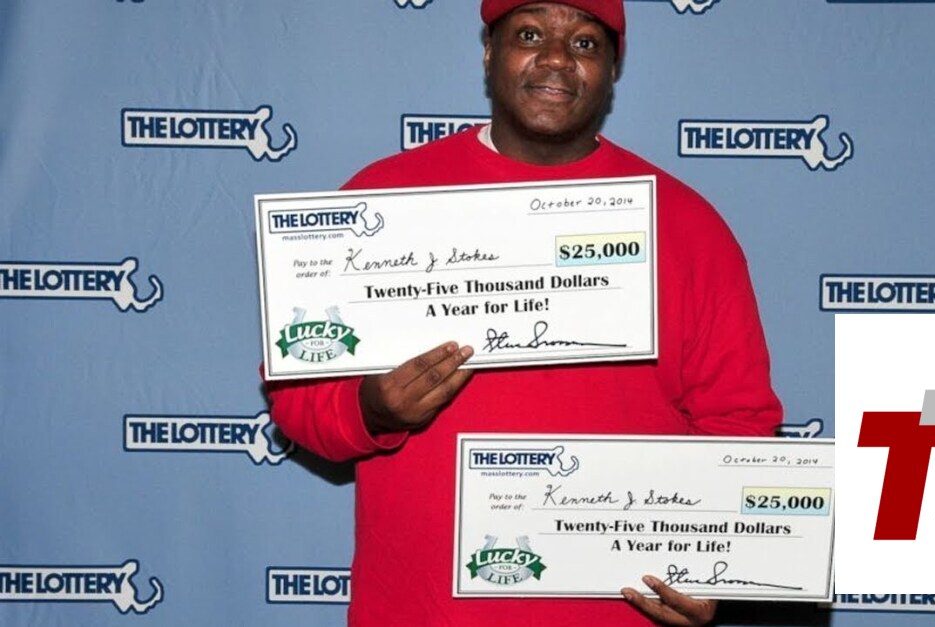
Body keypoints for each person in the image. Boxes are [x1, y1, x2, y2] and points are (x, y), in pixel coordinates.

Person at [265, 1, 783, 625]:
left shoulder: (687, 225)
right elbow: (298, 398)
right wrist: (371, 409)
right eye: (531, 34)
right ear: (490, 52)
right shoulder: (383, 200)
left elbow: (737, 421)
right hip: (423, 612)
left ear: (613, 67)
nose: (557, 58)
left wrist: (713, 559)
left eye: (585, 43)